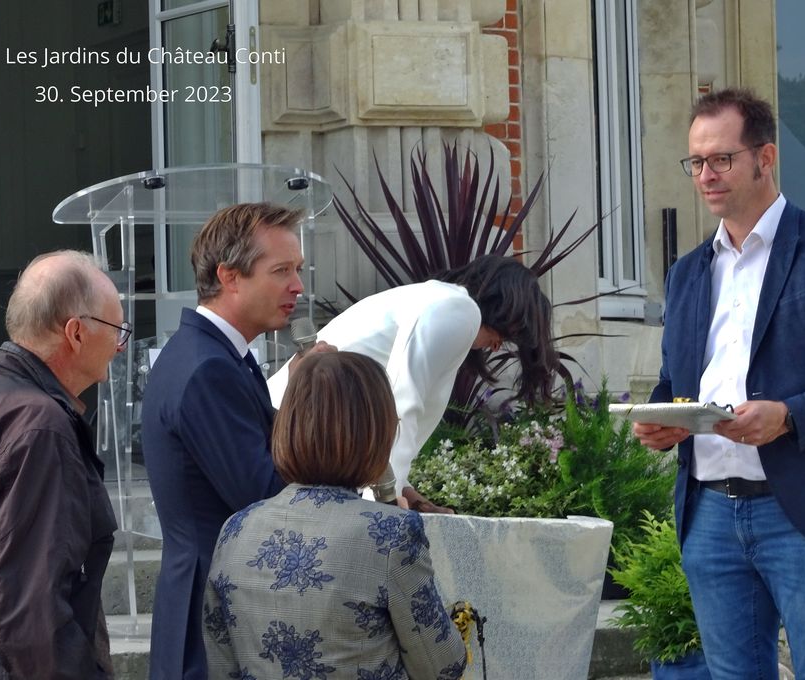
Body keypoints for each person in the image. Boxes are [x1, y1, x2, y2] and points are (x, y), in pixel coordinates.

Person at [632, 88, 805, 679]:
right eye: (696, 162)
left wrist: (789, 415)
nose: (706, 176)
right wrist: (663, 418)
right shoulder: (687, 274)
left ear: (765, 157)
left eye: (721, 159)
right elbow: (675, 380)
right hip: (709, 512)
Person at [141, 202, 330, 680]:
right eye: (281, 271)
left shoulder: (217, 354)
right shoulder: (208, 367)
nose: (297, 286)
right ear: (229, 277)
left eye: (298, 270)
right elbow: (264, 496)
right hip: (211, 616)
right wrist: (307, 397)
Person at [0, 250, 125, 679]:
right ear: (76, 333)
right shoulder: (40, 429)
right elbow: (28, 614)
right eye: (116, 330)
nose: (120, 345)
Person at [204, 351, 468, 680]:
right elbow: (442, 666)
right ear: (375, 433)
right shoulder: (391, 534)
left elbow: (220, 662)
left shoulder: (236, 529)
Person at [268, 254, 558, 512]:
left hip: (294, 433)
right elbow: (402, 403)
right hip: (297, 435)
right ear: (507, 310)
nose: (496, 347)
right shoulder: (459, 311)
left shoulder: (439, 301)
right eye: (507, 337)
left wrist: (405, 491)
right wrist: (385, 504)